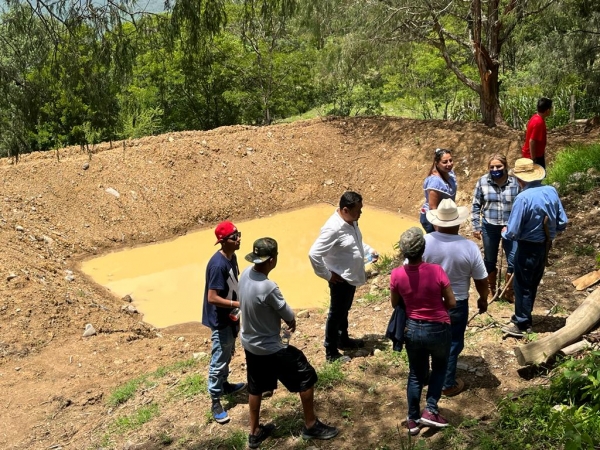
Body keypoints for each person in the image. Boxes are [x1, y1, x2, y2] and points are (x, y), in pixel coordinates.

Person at [239, 238, 339, 448]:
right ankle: (311, 425)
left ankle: (254, 432)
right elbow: (287, 314)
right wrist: (290, 322)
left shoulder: (246, 274)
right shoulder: (268, 287)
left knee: (255, 387)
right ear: (273, 260)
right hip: (271, 348)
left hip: (249, 344)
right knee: (306, 376)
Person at [390, 227, 456, 436]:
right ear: (423, 248)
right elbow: (452, 302)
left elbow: (395, 303)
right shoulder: (436, 271)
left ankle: (412, 419)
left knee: (416, 374)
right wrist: (437, 307)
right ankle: (431, 410)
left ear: (403, 251)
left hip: (412, 329)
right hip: (438, 327)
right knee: (438, 368)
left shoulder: (397, 274)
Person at [424, 199, 489, 397]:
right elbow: (481, 278)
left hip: (427, 301)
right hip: (457, 302)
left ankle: (426, 375)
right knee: (452, 342)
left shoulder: (425, 241)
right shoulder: (469, 247)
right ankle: (447, 383)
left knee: (428, 339)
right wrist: (483, 298)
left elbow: (408, 268)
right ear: (458, 222)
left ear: (437, 222)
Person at [501, 158, 568, 338]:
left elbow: (513, 231)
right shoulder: (551, 191)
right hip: (544, 246)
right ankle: (524, 317)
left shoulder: (522, 198)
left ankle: (521, 323)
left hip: (527, 246)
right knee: (533, 282)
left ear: (519, 179)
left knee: (522, 284)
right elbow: (563, 222)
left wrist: (504, 233)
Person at [308, 191, 378, 363]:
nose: (360, 213)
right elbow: (313, 254)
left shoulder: (351, 221)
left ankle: (343, 339)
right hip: (340, 279)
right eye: (358, 210)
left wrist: (369, 250)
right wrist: (326, 275)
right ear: (345, 210)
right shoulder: (333, 228)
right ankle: (331, 351)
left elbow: (355, 242)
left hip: (350, 275)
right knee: (336, 314)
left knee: (344, 311)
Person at [202, 221, 247, 424]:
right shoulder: (218, 265)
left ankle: (225, 384)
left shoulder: (232, 256)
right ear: (223, 241)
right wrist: (236, 302)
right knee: (219, 357)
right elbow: (212, 297)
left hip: (231, 315)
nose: (239, 239)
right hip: (220, 320)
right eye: (234, 237)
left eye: (239, 234)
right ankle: (215, 400)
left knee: (228, 352)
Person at [471, 154, 521, 302]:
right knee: (489, 259)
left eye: (498, 166)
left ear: (505, 166)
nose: (495, 169)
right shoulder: (482, 182)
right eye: (492, 167)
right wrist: (476, 225)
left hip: (510, 227)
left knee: (513, 259)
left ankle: (509, 291)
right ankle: (491, 289)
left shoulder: (515, 183)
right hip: (489, 226)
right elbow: (475, 205)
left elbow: (520, 206)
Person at [420, 148, 457, 233]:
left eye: (450, 160)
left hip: (445, 215)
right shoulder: (435, 182)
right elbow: (433, 207)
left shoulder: (450, 173)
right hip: (433, 219)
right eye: (445, 162)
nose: (449, 164)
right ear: (437, 163)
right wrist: (439, 230)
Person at [522, 97, 553, 169]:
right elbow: (532, 141)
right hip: (533, 156)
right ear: (547, 110)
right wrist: (533, 159)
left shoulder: (535, 117)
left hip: (535, 155)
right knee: (538, 178)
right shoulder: (539, 122)